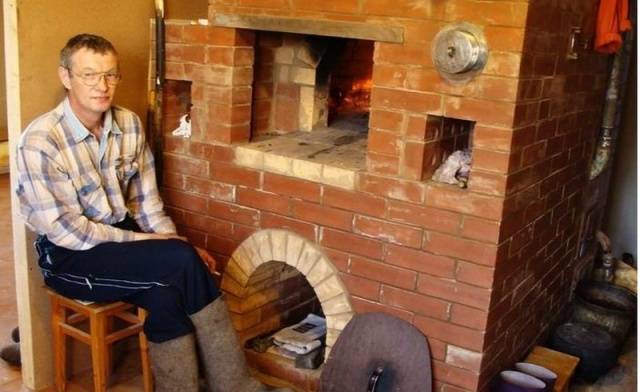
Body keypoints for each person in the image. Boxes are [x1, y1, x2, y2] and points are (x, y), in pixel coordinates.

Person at [15, 33, 287, 392]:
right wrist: (165, 247)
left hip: (120, 237)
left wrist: (169, 241)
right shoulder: (41, 141)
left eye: (111, 75)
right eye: (89, 75)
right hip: (67, 256)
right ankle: (237, 386)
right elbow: (70, 233)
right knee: (179, 261)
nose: (103, 86)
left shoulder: (128, 124)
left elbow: (147, 203)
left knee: (166, 293)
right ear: (66, 77)